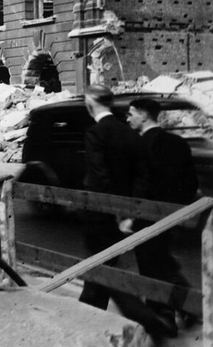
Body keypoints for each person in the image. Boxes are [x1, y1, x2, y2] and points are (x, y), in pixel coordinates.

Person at [122, 97, 198, 333]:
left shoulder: (138, 144)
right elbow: (191, 182)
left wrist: (132, 217)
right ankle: (188, 308)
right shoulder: (177, 142)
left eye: (131, 113)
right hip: (172, 214)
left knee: (150, 266)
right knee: (163, 262)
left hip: (146, 216)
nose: (128, 118)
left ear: (144, 115)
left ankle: (164, 317)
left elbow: (140, 186)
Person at [78, 83, 139, 310]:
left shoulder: (95, 133)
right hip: (125, 205)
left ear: (89, 104)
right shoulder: (128, 131)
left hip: (101, 209)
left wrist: (112, 209)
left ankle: (89, 309)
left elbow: (99, 175)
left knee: (99, 262)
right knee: (110, 262)